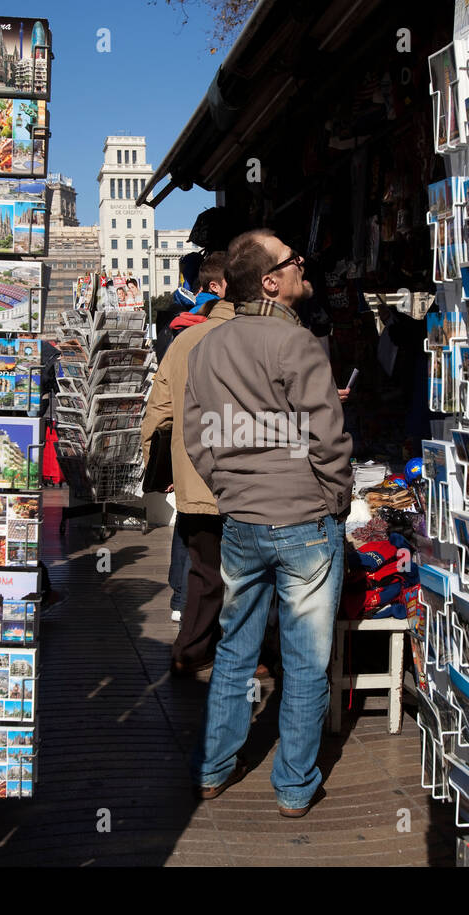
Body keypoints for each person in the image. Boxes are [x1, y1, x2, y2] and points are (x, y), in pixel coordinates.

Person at [183, 228, 353, 818]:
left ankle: (214, 768)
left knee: (234, 648)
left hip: (243, 519)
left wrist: (229, 485)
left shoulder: (207, 345)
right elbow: (329, 440)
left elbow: (197, 435)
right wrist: (334, 499)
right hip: (302, 519)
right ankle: (294, 786)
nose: (304, 266)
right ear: (273, 281)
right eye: (293, 261)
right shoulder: (296, 344)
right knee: (305, 660)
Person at [141, 251, 234, 672]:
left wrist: (159, 471)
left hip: (196, 478)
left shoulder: (184, 340)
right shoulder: (267, 336)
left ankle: (191, 651)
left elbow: (158, 413)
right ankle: (254, 655)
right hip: (254, 482)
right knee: (254, 574)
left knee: (205, 571)